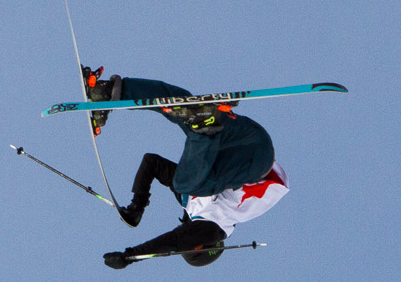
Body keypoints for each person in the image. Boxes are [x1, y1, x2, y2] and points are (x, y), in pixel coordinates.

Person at [85, 70, 289, 268]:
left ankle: (111, 92)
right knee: (184, 182)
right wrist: (131, 257)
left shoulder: (191, 202)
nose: (189, 237)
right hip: (256, 158)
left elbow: (152, 163)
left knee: (177, 108)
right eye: (192, 245)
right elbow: (175, 241)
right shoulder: (217, 227)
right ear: (201, 246)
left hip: (236, 139)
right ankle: (202, 127)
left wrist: (136, 208)